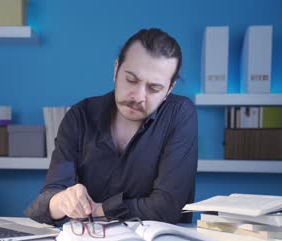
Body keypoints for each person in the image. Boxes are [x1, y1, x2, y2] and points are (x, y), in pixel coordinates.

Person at [25, 28, 197, 226]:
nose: (139, 97)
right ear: (116, 70)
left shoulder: (180, 114)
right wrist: (62, 201)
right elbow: (46, 201)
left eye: (154, 88)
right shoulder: (80, 116)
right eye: (131, 80)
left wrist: (97, 210)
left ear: (169, 89)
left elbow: (168, 207)